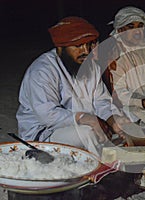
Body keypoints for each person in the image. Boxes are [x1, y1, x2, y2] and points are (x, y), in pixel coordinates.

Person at [16, 16, 128, 157]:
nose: (86, 51)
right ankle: (99, 173)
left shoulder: (90, 65)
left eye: (89, 44)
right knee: (88, 133)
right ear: (60, 48)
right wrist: (85, 118)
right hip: (43, 134)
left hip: (83, 126)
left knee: (123, 123)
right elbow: (47, 116)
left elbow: (100, 101)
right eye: (78, 46)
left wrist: (113, 120)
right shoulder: (42, 71)